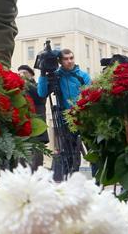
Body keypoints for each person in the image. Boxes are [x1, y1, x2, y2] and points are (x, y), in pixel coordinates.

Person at [37, 49, 91, 179]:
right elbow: (42, 93)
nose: (69, 61)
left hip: (84, 119)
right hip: (64, 121)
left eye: (71, 58)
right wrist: (43, 74)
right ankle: (70, 181)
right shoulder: (56, 76)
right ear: (60, 61)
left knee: (92, 152)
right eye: (66, 59)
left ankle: (97, 182)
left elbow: (90, 95)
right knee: (69, 156)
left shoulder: (83, 76)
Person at [17, 66, 48, 171]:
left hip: (37, 129)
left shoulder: (38, 86)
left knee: (36, 160)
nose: (21, 76)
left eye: (24, 73)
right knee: (21, 160)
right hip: (22, 129)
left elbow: (40, 97)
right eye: (19, 73)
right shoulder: (19, 89)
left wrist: (26, 83)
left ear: (31, 74)